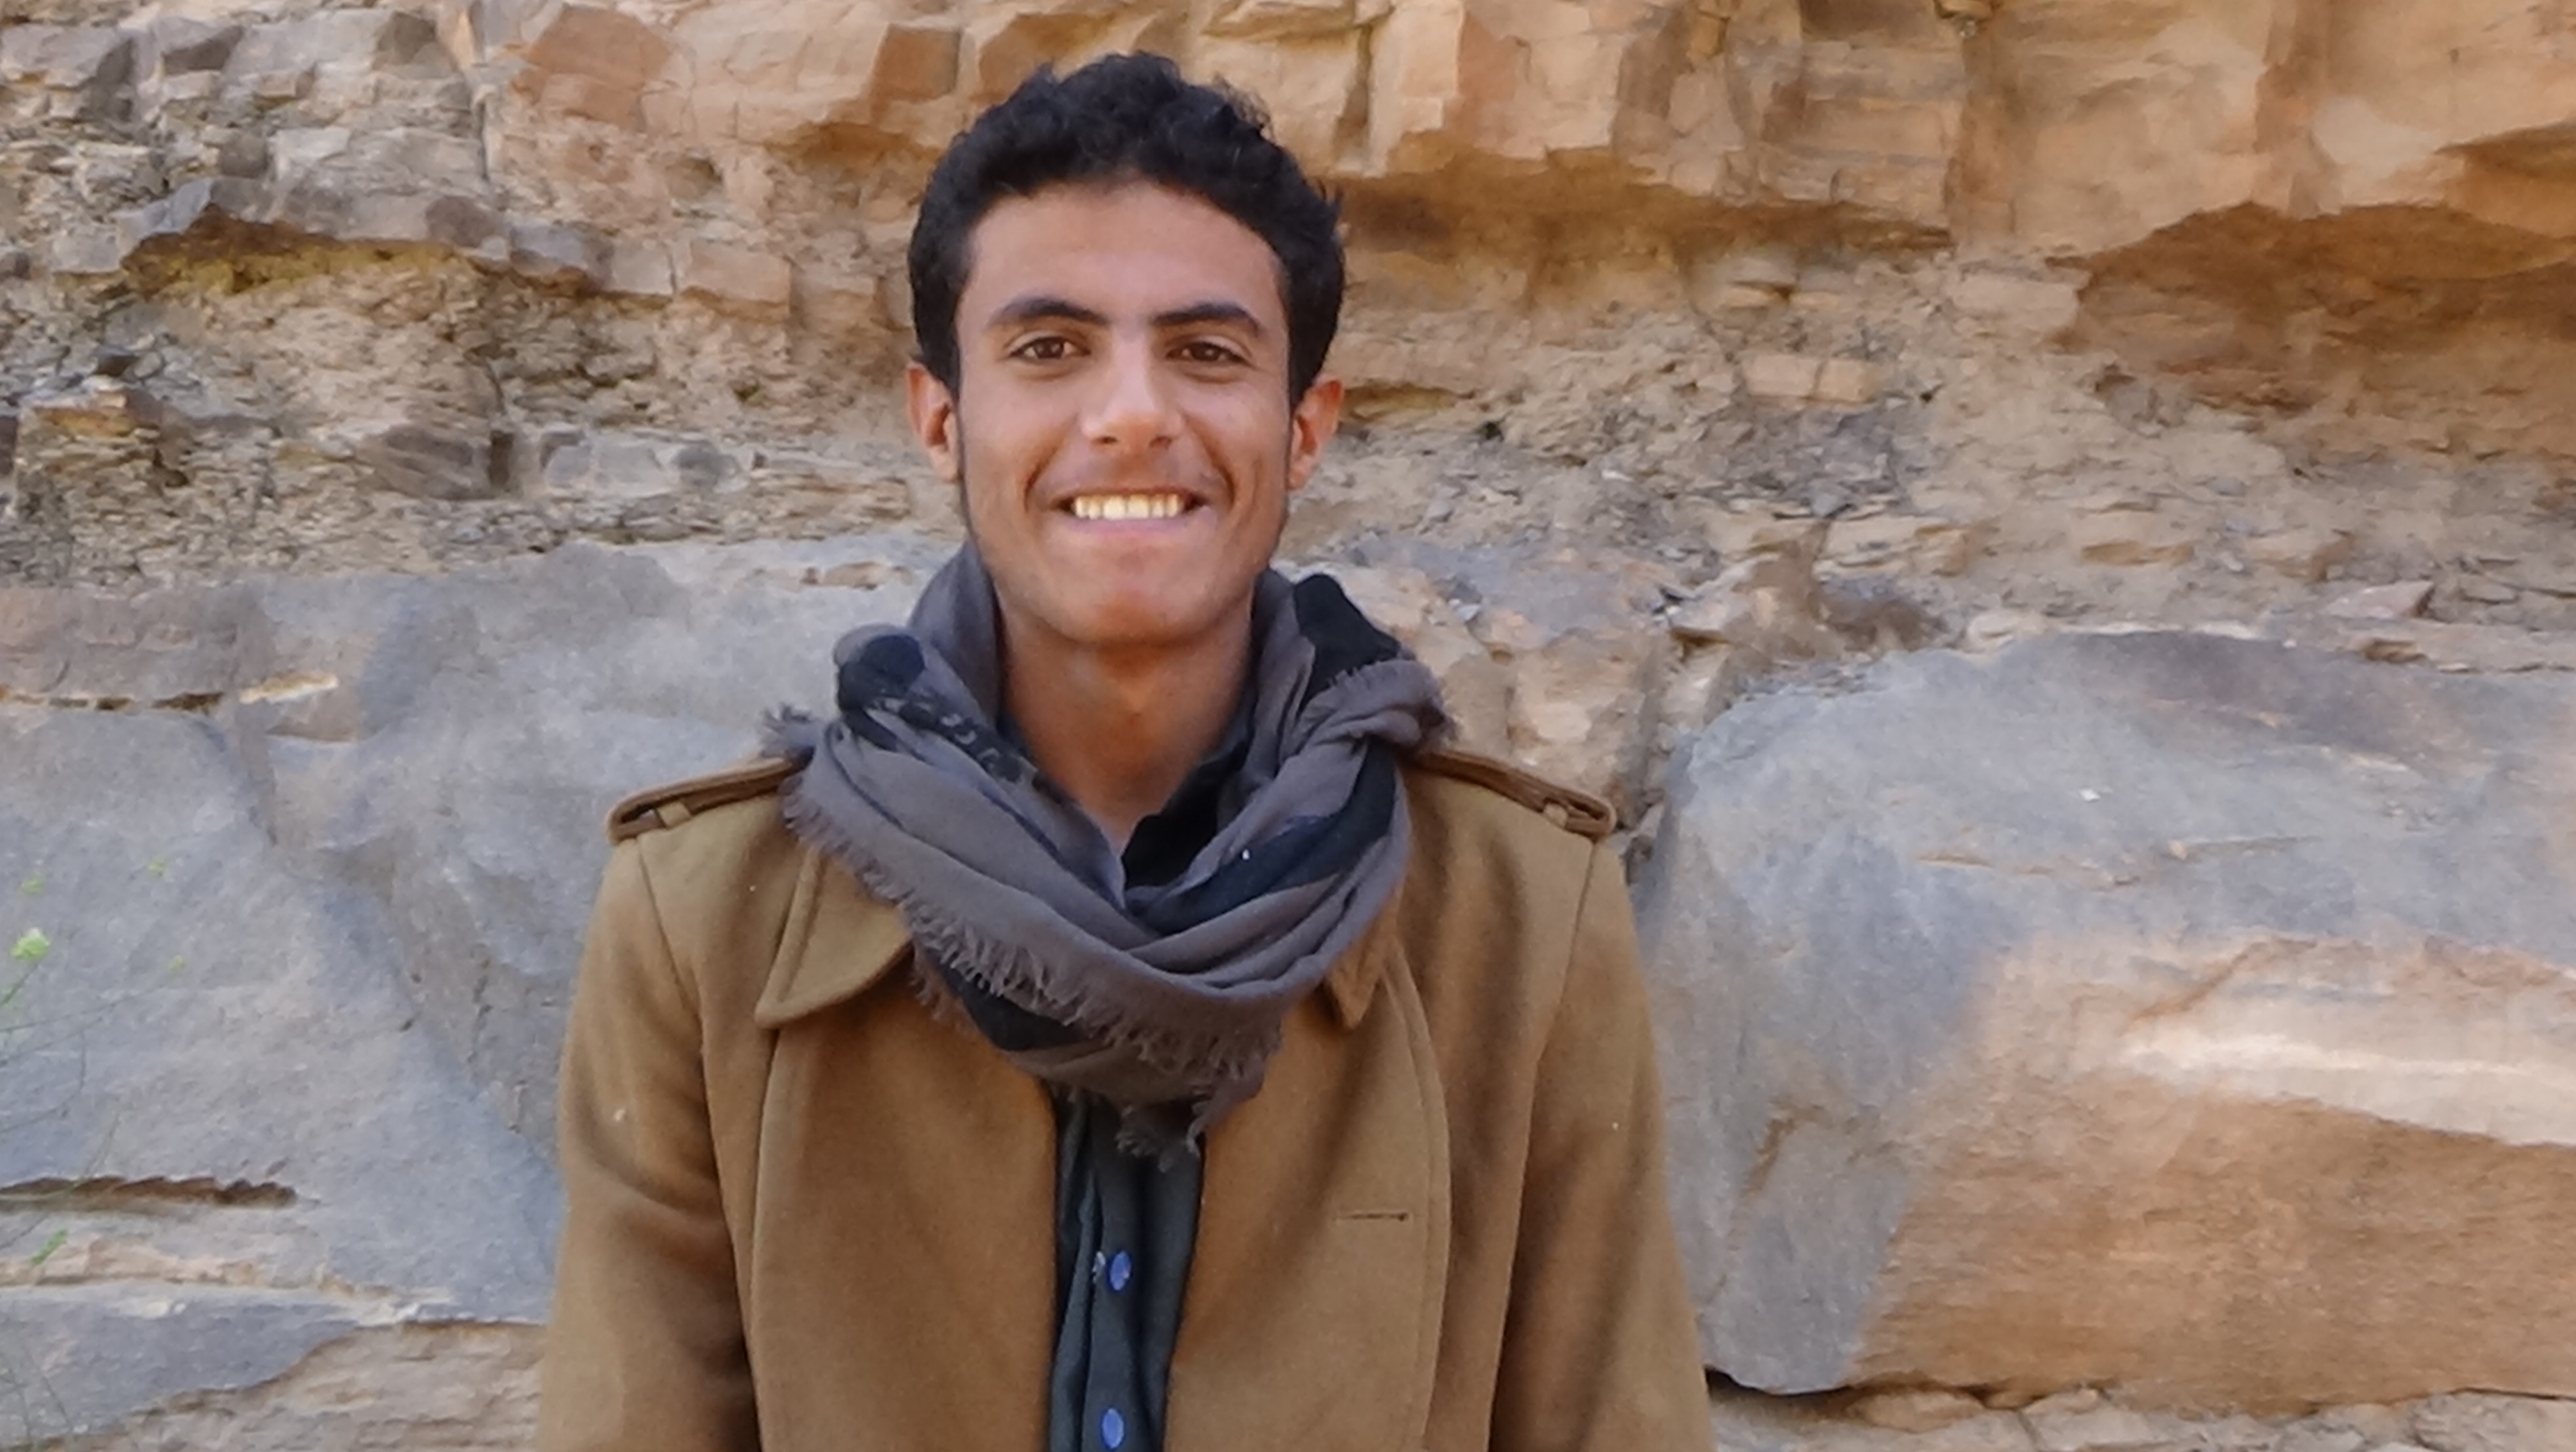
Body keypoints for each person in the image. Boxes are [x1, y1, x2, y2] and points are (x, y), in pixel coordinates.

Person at [537, 52, 1709, 1452]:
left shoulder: (1521, 920)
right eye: (1049, 349)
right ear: (940, 419)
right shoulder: (704, 924)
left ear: (1304, 430)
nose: (1134, 412)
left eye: (1207, 353)